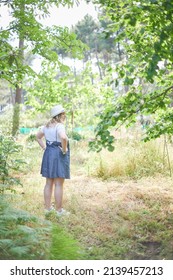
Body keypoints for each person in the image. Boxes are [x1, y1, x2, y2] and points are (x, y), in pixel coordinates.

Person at [36, 104, 70, 216]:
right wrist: (64, 150)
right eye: (63, 114)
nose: (64, 116)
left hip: (49, 153)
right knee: (59, 183)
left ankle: (47, 208)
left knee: (48, 182)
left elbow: (38, 137)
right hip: (58, 153)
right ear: (59, 115)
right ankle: (59, 211)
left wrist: (45, 147)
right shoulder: (59, 126)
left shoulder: (46, 126)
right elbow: (63, 137)